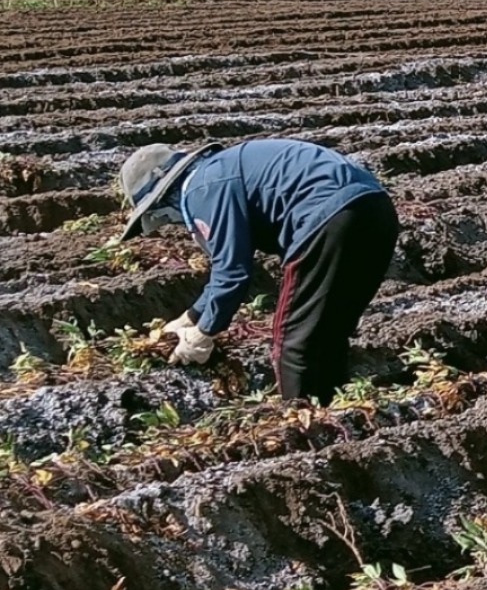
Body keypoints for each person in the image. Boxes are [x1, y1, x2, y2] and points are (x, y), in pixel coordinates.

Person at [118, 138, 398, 404]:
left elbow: (232, 271)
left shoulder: (201, 189)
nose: (169, 222)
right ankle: (334, 412)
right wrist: (190, 317)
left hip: (326, 217)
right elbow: (227, 267)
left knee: (292, 343)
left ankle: (304, 424)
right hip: (374, 207)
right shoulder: (218, 170)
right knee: (327, 332)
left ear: (165, 195)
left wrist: (205, 332)